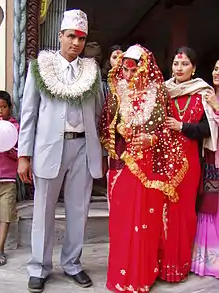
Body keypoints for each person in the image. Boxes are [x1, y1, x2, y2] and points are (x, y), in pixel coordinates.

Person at [17, 9, 106, 293]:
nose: (76, 42)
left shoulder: (91, 71)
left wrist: (102, 150)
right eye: (71, 36)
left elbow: (100, 113)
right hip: (48, 147)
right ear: (60, 37)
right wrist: (23, 155)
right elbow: (29, 114)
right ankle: (39, 267)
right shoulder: (40, 67)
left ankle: (72, 263)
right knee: (42, 210)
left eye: (81, 37)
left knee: (78, 210)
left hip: (83, 146)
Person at [99, 44, 189, 292]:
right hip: (125, 163)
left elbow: (165, 129)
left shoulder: (157, 92)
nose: (127, 75)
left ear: (144, 68)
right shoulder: (118, 91)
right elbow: (106, 122)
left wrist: (152, 139)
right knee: (123, 219)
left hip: (150, 164)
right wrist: (120, 129)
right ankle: (122, 276)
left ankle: (144, 275)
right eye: (124, 70)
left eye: (132, 70)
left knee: (147, 218)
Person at [163, 47, 218, 282]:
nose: (179, 68)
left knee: (185, 213)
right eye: (176, 63)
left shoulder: (202, 93)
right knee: (163, 215)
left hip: (189, 163)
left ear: (193, 68)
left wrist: (182, 127)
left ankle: (181, 265)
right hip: (163, 163)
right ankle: (163, 265)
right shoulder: (163, 92)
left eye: (184, 64)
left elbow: (208, 129)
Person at [191, 59, 219, 278]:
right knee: (209, 204)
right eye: (217, 68)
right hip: (210, 159)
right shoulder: (204, 95)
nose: (217, 73)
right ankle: (208, 262)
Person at [0, 90, 19, 266]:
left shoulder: (15, 127)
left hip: (8, 181)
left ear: (10, 108)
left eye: (3, 107)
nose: (0, 111)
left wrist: (9, 148)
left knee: (5, 215)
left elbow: (21, 153)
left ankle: (0, 248)